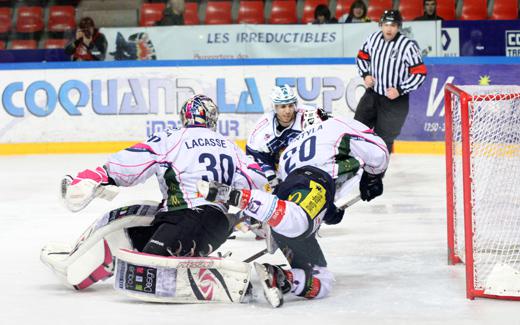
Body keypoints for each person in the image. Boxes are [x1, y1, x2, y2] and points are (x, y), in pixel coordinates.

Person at [49, 95, 267, 289]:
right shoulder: (231, 147)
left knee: (140, 265)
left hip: (184, 221)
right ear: (212, 119)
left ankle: (77, 279)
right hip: (217, 227)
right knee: (130, 238)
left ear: (185, 117)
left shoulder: (171, 138)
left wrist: (100, 175)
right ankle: (192, 258)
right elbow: (256, 181)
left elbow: (130, 164)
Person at [198, 110, 389, 307]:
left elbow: (307, 199)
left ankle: (281, 277)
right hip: (311, 187)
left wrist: (330, 212)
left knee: (322, 281)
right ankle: (236, 196)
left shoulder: (291, 149)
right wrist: (373, 176)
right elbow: (378, 148)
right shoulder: (335, 124)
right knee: (298, 221)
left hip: (287, 199)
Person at [355, 10, 427, 153]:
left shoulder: (407, 46)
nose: (389, 29)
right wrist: (365, 74)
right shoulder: (373, 38)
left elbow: (420, 73)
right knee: (357, 131)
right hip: (372, 95)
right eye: (386, 24)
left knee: (383, 142)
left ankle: (376, 175)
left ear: (398, 27)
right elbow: (362, 57)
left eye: (393, 25)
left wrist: (400, 90)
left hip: (395, 102)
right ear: (381, 25)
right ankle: (356, 169)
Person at [246, 84, 307, 192]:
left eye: (290, 105)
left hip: (307, 168)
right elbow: (256, 160)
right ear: (274, 107)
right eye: (283, 106)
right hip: (280, 171)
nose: (288, 111)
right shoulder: (261, 131)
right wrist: (273, 182)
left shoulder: (309, 115)